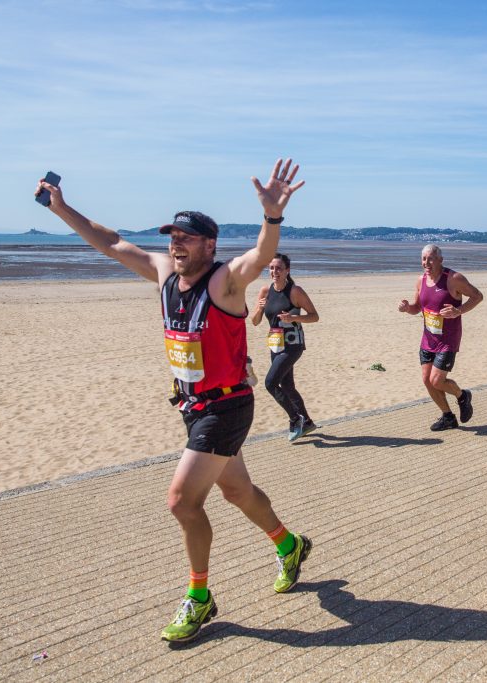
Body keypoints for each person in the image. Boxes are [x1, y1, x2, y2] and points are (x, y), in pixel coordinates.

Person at [37, 159, 313, 643]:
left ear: (209, 244)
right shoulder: (164, 272)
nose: (175, 243)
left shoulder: (225, 280)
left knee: (182, 501)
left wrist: (271, 218)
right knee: (237, 492)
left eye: (186, 237)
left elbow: (259, 254)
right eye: (172, 236)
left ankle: (200, 597)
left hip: (226, 406)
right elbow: (111, 241)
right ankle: (289, 545)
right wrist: (63, 209)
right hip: (191, 407)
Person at [399, 245, 483, 430]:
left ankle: (462, 396)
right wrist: (407, 308)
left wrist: (458, 311)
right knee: (426, 380)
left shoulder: (454, 279)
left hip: (448, 340)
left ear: (440, 260)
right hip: (428, 340)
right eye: (423, 259)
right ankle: (447, 417)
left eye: (430, 258)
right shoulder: (420, 281)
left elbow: (478, 296)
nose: (426, 263)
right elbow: (416, 308)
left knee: (437, 380)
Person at [250, 253, 319, 442]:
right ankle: (308, 422)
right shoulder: (265, 291)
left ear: (287, 270)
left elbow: (314, 316)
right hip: (275, 344)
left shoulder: (295, 291)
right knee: (287, 386)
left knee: (270, 383)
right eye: (271, 268)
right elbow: (255, 322)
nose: (274, 272)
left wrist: (294, 318)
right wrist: (259, 308)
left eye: (279, 268)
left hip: (293, 344)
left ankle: (295, 419)